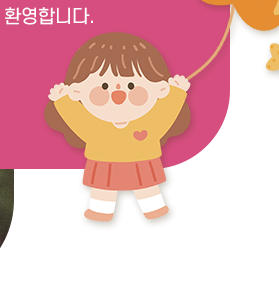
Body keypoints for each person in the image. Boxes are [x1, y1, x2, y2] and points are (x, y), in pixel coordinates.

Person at [46, 32, 191, 230]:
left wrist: (176, 93)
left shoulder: (149, 124)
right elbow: (77, 120)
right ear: (78, 91)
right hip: (106, 164)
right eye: (104, 86)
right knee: (103, 191)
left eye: (131, 85)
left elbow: (166, 114)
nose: (118, 95)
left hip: (139, 161)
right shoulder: (96, 128)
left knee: (146, 189)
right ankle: (100, 212)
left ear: (159, 89)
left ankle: (154, 209)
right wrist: (63, 101)